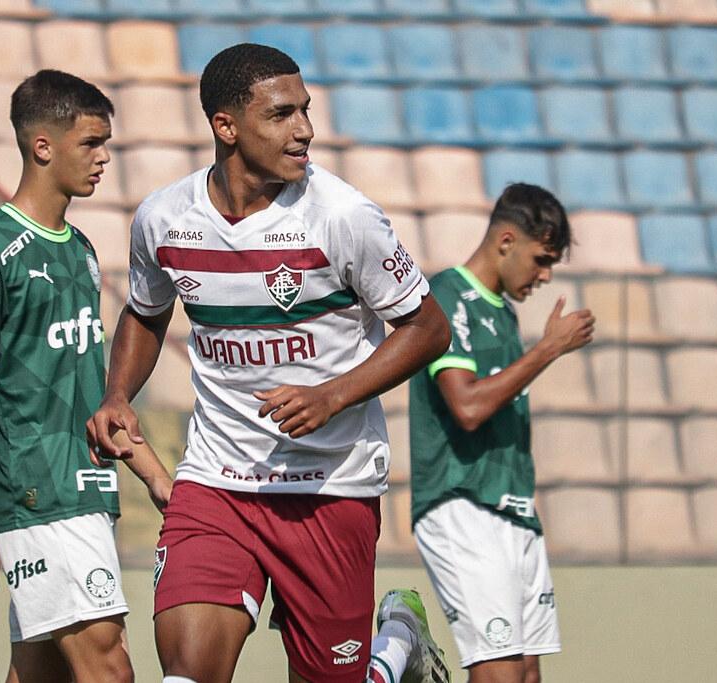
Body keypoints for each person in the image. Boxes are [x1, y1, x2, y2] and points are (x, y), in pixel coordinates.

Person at [85, 43, 451, 683]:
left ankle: (396, 647)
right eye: (282, 114)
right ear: (225, 126)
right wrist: (118, 394)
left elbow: (428, 328)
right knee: (187, 674)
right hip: (217, 481)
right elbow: (146, 311)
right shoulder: (165, 218)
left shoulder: (342, 216)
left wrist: (333, 395)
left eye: (305, 111)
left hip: (329, 485)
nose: (305, 129)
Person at [0, 69, 172, 683]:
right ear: (43, 146)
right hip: (38, 494)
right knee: (108, 666)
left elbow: (90, 394)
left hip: (84, 488)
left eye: (107, 143)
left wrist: (153, 475)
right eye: (91, 142)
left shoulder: (79, 250)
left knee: (42, 672)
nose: (103, 158)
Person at [408, 183, 596, 683]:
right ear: (507, 240)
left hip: (513, 510)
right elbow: (466, 406)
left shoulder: (504, 313)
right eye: (541, 258)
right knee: (501, 674)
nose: (546, 275)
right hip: (462, 504)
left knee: (527, 673)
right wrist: (547, 349)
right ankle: (395, 647)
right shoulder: (446, 295)